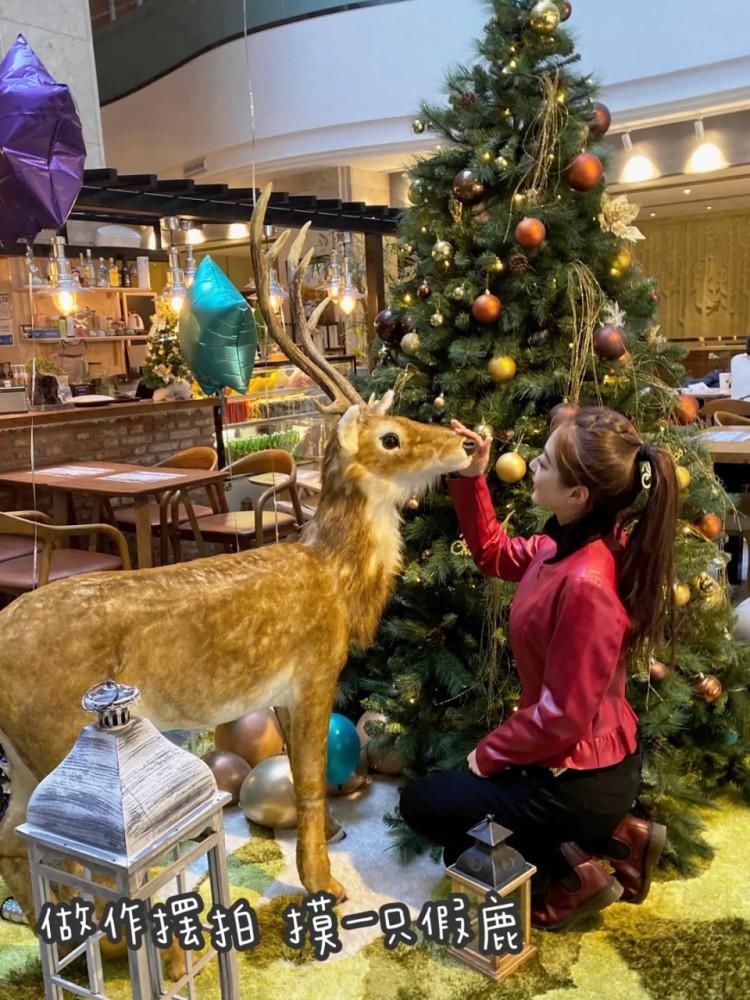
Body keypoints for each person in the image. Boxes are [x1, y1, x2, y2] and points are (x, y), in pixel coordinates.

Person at [399, 405, 680, 931]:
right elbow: (494, 552)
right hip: (573, 761)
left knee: (429, 811)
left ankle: (577, 875)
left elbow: (562, 718)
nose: (531, 466)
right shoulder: (564, 542)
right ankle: (622, 839)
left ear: (578, 496)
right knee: (462, 827)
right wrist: (473, 475)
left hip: (581, 777)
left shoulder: (588, 583)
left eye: (545, 463)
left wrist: (489, 753)